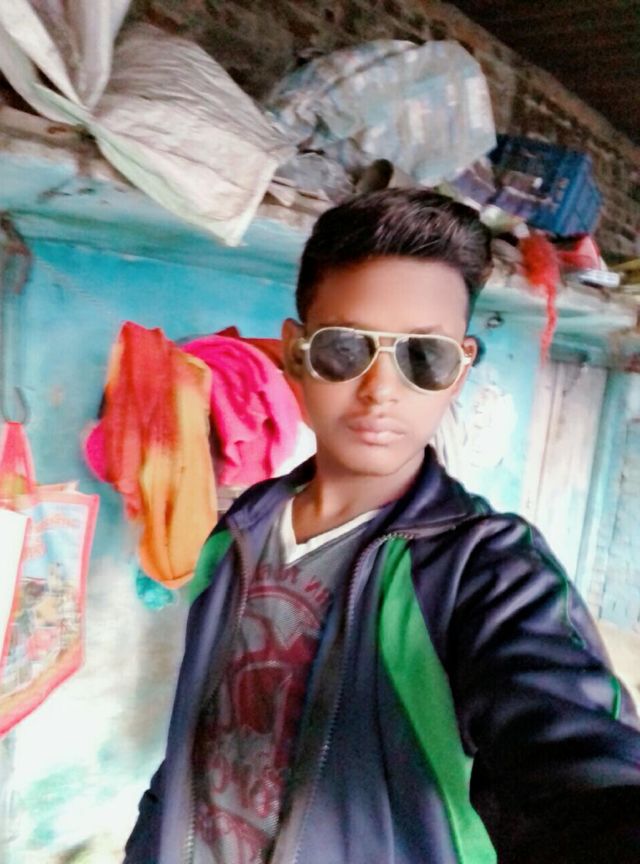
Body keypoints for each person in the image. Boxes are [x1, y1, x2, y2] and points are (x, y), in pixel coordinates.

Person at [124, 190, 640, 864]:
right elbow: (193, 744)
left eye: (423, 356)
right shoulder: (235, 537)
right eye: (346, 348)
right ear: (296, 354)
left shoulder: (484, 569)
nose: (380, 390)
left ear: (460, 371)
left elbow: (575, 758)